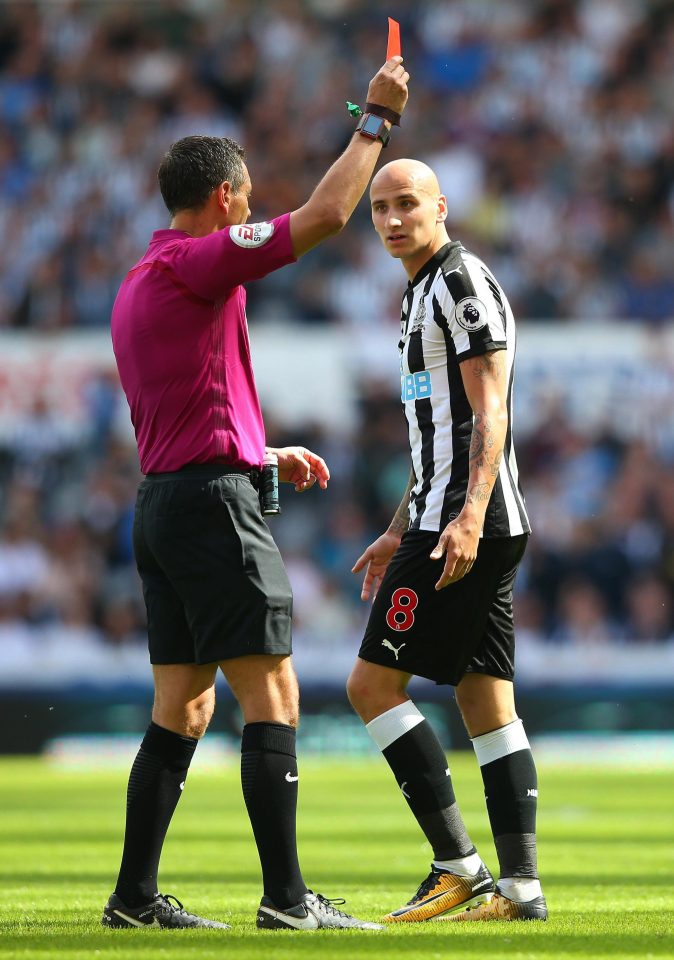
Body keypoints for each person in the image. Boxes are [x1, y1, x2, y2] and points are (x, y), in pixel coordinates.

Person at [102, 56, 409, 932]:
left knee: (184, 705)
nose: (250, 208)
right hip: (207, 507)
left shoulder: (137, 284)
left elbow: (177, 405)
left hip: (163, 503)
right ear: (227, 199)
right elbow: (323, 216)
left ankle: (132, 899)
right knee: (273, 692)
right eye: (245, 197)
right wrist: (375, 123)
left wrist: (256, 449)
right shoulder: (199, 263)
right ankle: (286, 900)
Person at [346, 159, 547, 923]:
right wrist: (398, 522)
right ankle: (520, 888)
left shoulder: (460, 284)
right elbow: (437, 431)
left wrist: (462, 516)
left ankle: (457, 864)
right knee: (486, 702)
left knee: (370, 688)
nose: (393, 219)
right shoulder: (416, 293)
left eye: (407, 204)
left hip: (462, 527)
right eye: (380, 208)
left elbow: (490, 411)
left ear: (442, 207)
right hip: (446, 520)